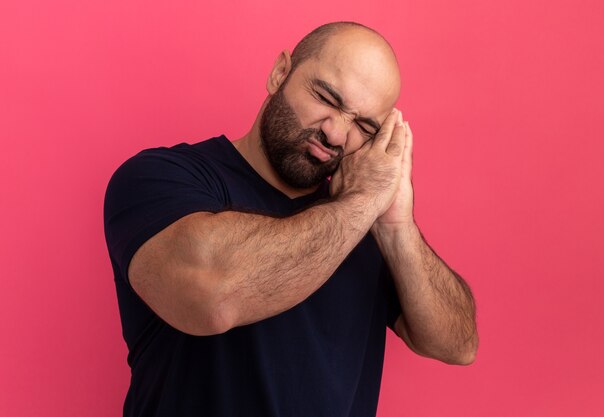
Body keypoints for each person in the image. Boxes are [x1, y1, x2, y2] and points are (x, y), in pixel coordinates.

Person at [104, 21, 478, 417]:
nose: (336, 134)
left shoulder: (362, 219)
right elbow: (210, 296)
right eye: (326, 99)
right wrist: (363, 201)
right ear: (280, 72)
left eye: (364, 127)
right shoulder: (159, 177)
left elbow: (457, 343)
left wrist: (396, 226)